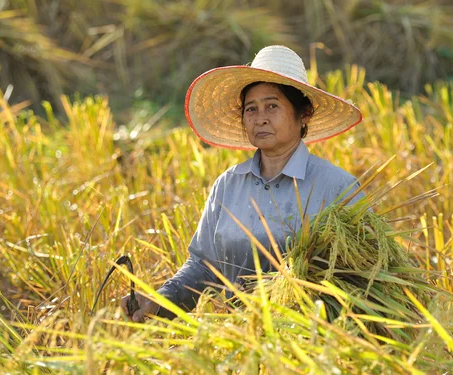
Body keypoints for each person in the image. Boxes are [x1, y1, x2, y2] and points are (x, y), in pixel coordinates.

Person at [121, 45, 363, 322]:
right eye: (251, 109)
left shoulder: (336, 187)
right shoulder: (228, 186)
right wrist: (159, 302)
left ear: (303, 113)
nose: (260, 117)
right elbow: (204, 267)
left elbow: (361, 277)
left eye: (272, 106)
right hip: (238, 342)